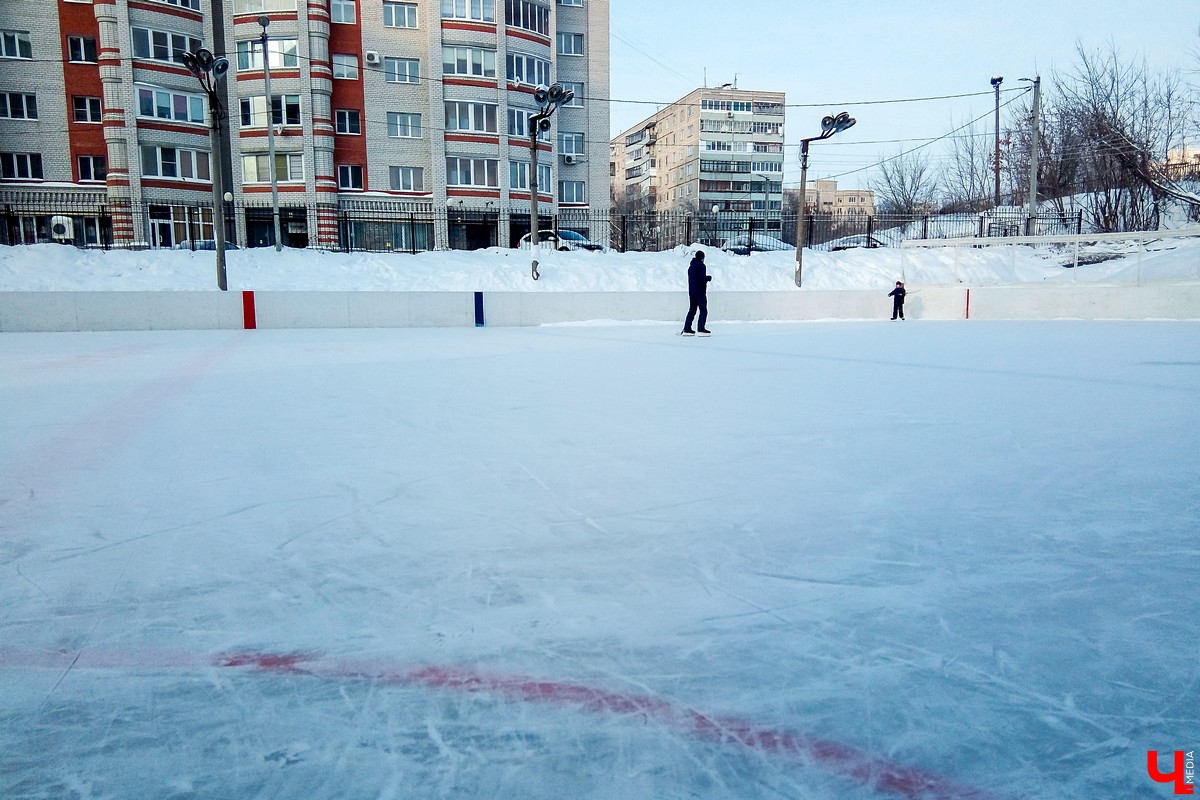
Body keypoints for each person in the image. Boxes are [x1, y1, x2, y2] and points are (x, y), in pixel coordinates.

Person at [682, 250, 712, 335]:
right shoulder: (702, 266)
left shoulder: (691, 267)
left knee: (692, 310)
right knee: (703, 310)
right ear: (702, 258)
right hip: (700, 291)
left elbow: (695, 278)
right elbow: (701, 278)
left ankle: (687, 328)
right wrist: (708, 278)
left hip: (692, 291)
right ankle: (701, 328)